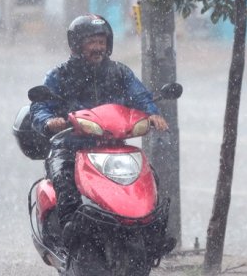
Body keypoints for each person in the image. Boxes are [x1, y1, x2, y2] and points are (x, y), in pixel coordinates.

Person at [29, 13, 169, 233]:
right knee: (65, 183)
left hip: (113, 146)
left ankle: (151, 233)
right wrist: (49, 121)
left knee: (148, 178)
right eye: (91, 42)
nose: (98, 47)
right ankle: (69, 234)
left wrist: (152, 113)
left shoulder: (119, 73)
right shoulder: (60, 75)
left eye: (101, 42)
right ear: (77, 45)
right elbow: (40, 107)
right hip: (71, 146)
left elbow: (140, 96)